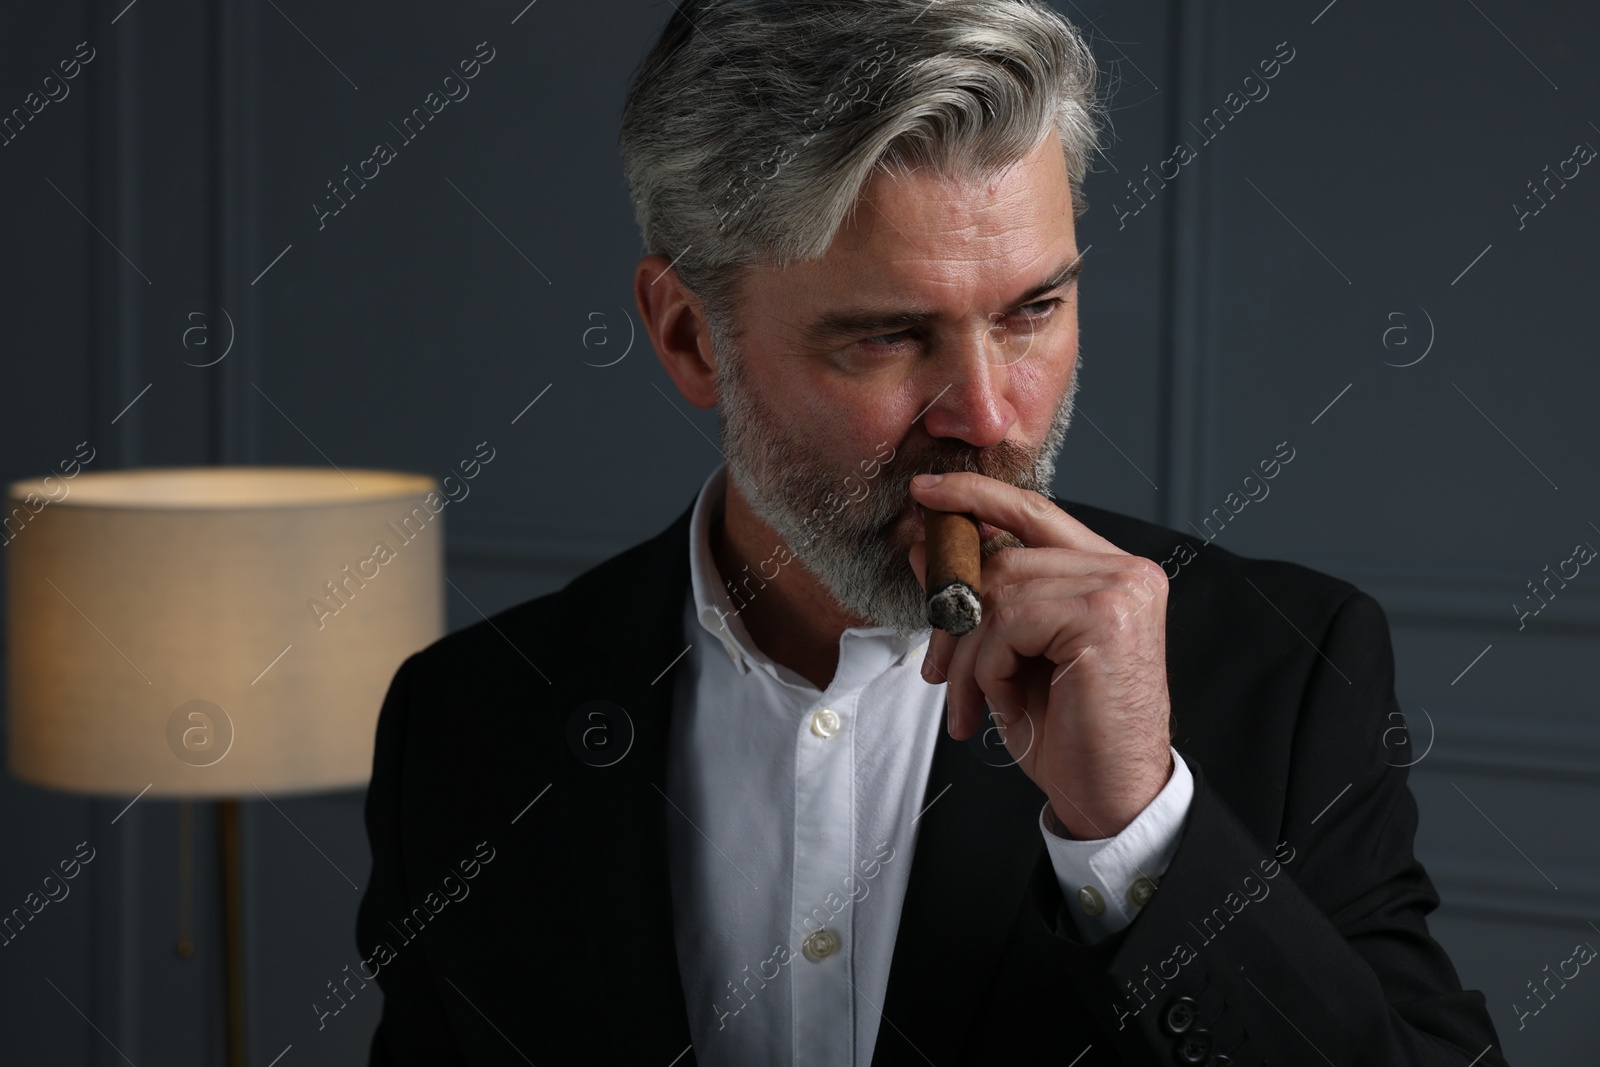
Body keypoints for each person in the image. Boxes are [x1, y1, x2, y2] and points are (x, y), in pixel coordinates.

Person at [356, 2, 1506, 1063]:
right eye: (889, 337)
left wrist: (1139, 835)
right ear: (689, 338)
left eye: (1032, 310)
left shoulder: (1285, 670)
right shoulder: (465, 724)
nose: (991, 416)